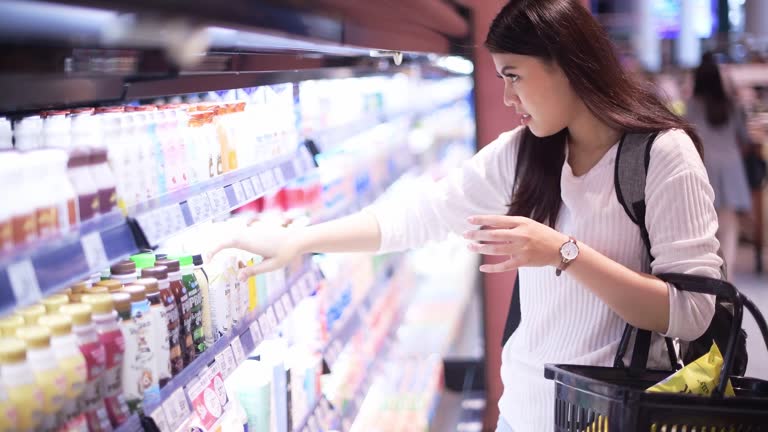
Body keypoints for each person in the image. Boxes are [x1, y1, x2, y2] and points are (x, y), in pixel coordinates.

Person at [209, 0, 722, 430]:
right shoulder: (523, 153)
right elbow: (420, 216)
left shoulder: (662, 155)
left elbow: (692, 312)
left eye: (514, 76)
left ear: (567, 65)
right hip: (524, 412)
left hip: (616, 416)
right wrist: (302, 240)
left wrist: (563, 253)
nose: (506, 96)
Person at [685, 52, 752, 273]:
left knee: (706, 226)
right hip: (732, 166)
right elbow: (745, 139)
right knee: (729, 226)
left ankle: (713, 275)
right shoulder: (732, 105)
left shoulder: (692, 104)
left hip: (704, 165)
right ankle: (729, 275)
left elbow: (687, 137)